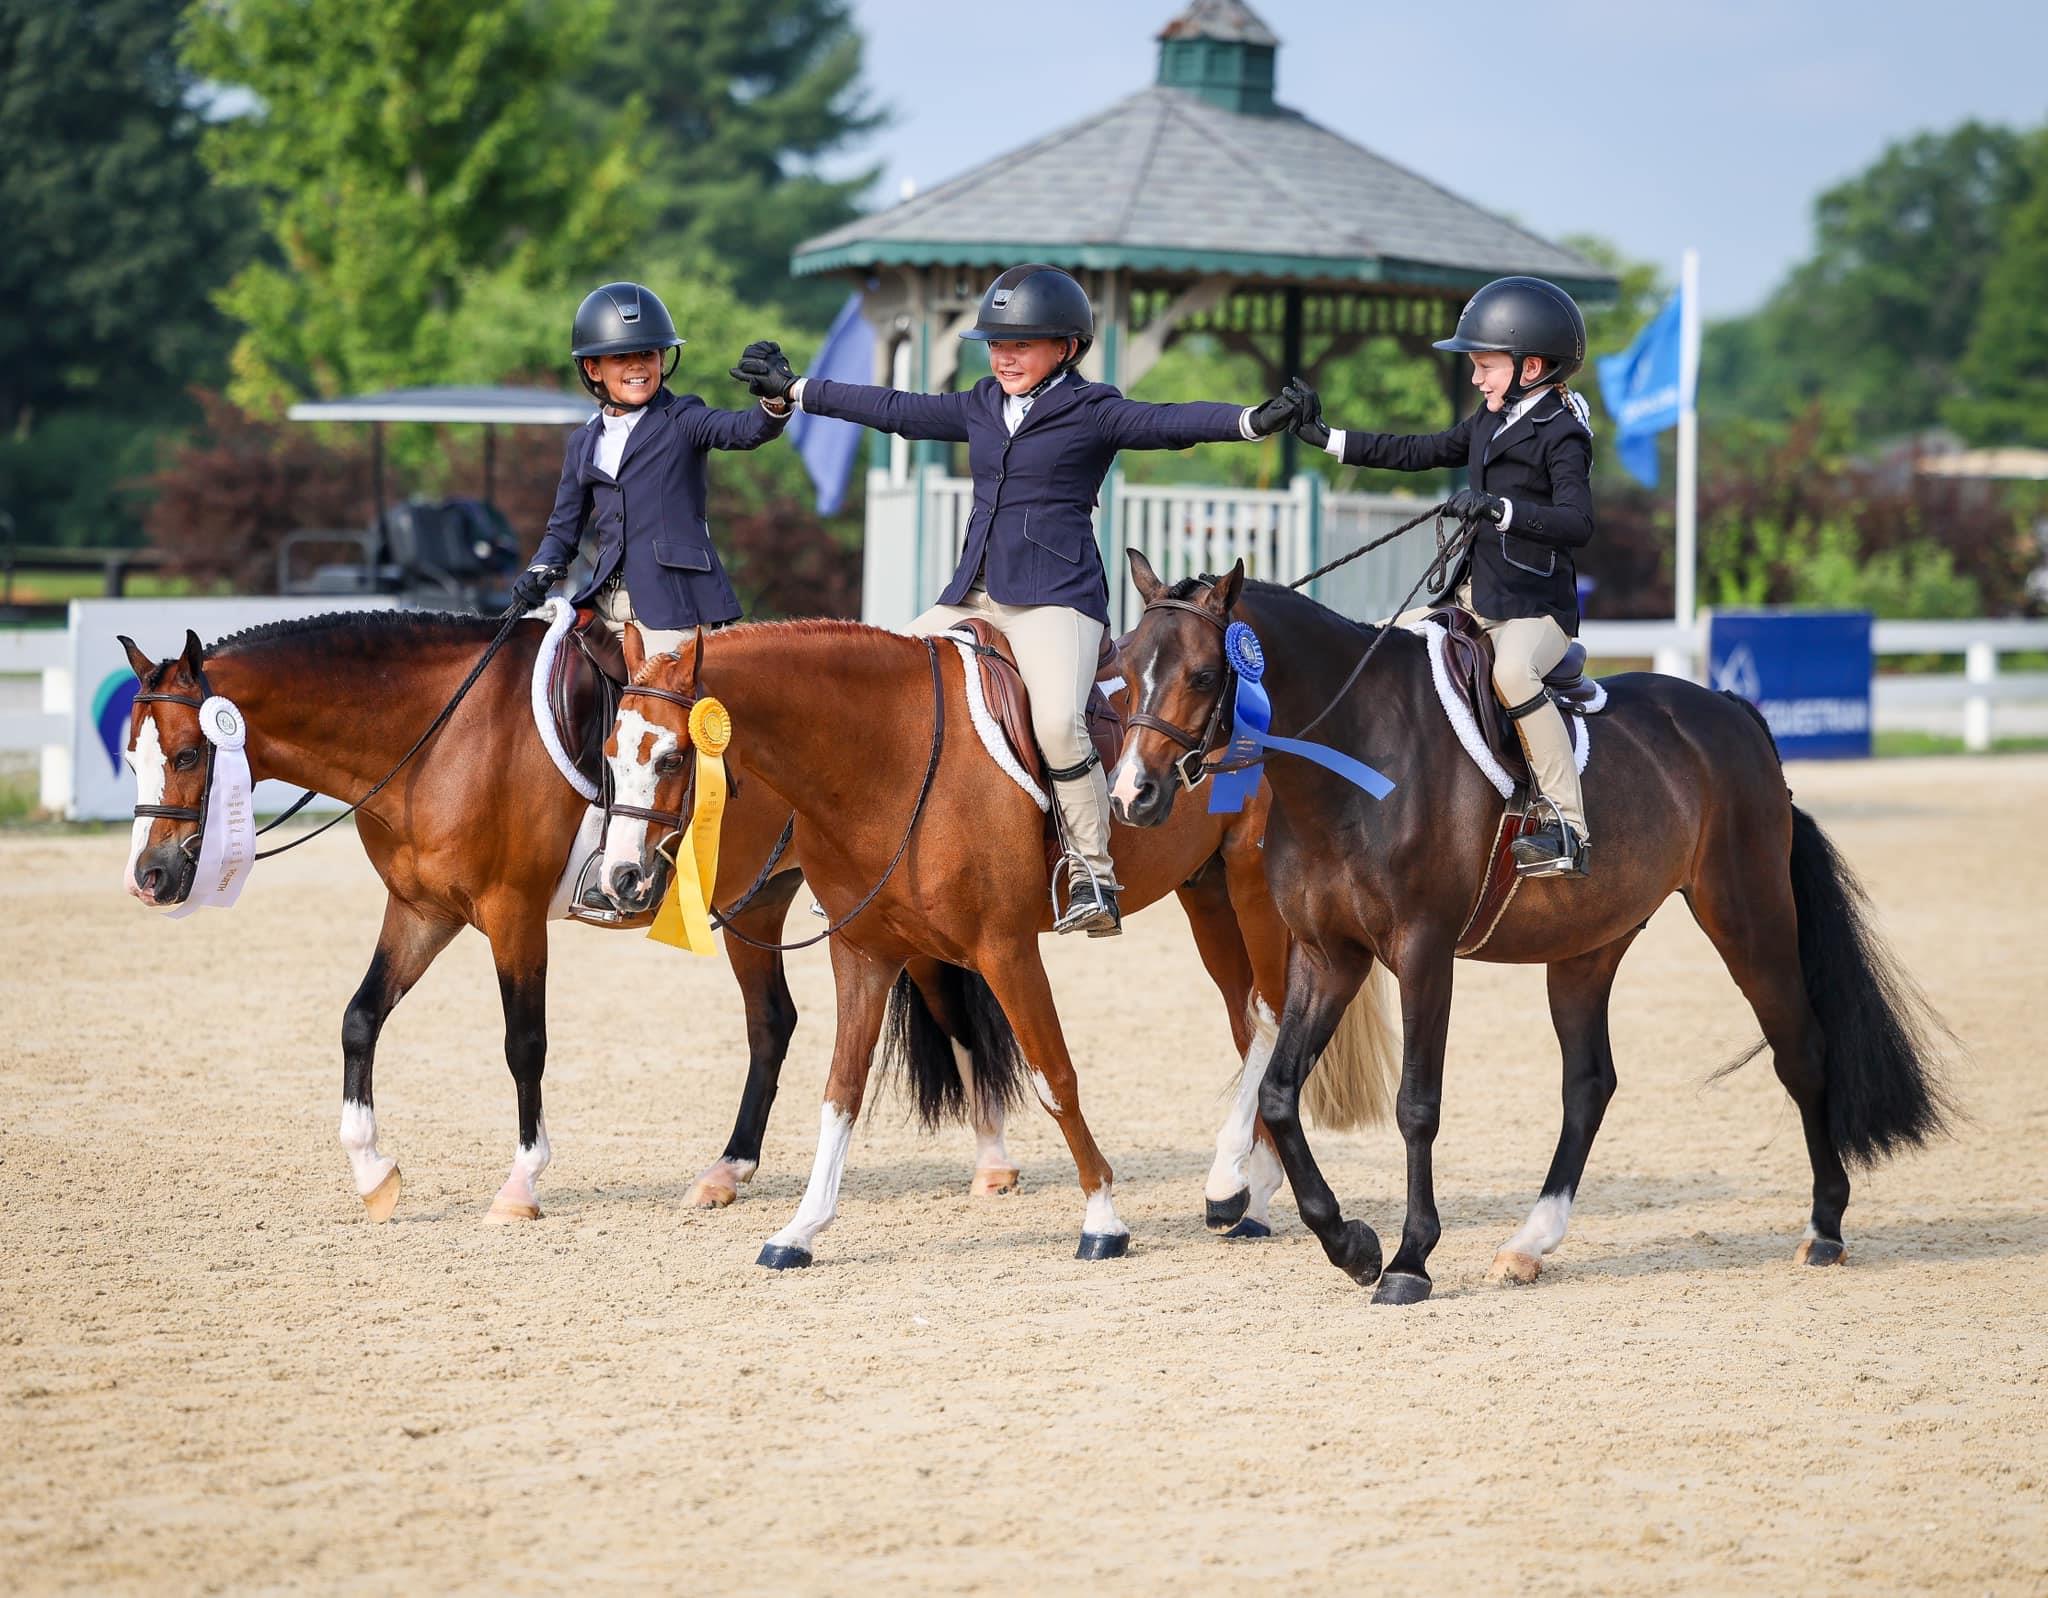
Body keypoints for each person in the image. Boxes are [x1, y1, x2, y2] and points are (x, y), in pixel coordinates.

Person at [730, 264, 1309, 934]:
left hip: (1057, 602)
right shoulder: (979, 403)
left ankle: (1093, 871)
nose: (1004, 356)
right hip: (970, 597)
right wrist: (796, 390)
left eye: (1021, 344)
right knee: (881, 693)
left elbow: (1167, 422)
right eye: (996, 344)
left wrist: (1248, 422)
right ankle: (862, 858)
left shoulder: (1093, 409)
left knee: (1060, 724)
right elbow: (895, 409)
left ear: (1067, 347)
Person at [1295, 275, 1596, 878]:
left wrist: (1502, 510)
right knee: (1375, 641)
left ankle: (1567, 823)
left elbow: (1576, 522)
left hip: (1536, 613)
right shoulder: (1490, 418)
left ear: (1530, 366)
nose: (1479, 378)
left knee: (1512, 672)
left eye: (1486, 366)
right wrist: (1329, 439)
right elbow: (1420, 450)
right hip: (1473, 597)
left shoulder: (1562, 432)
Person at [510, 281, 790, 654]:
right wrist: (539, 570)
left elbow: (745, 430)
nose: (637, 366)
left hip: (672, 609)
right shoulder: (583, 443)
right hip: (602, 606)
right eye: (621, 358)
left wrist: (775, 396)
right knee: (531, 664)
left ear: (662, 359)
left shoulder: (684, 418)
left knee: (660, 703)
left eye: (647, 354)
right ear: (593, 368)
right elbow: (562, 533)